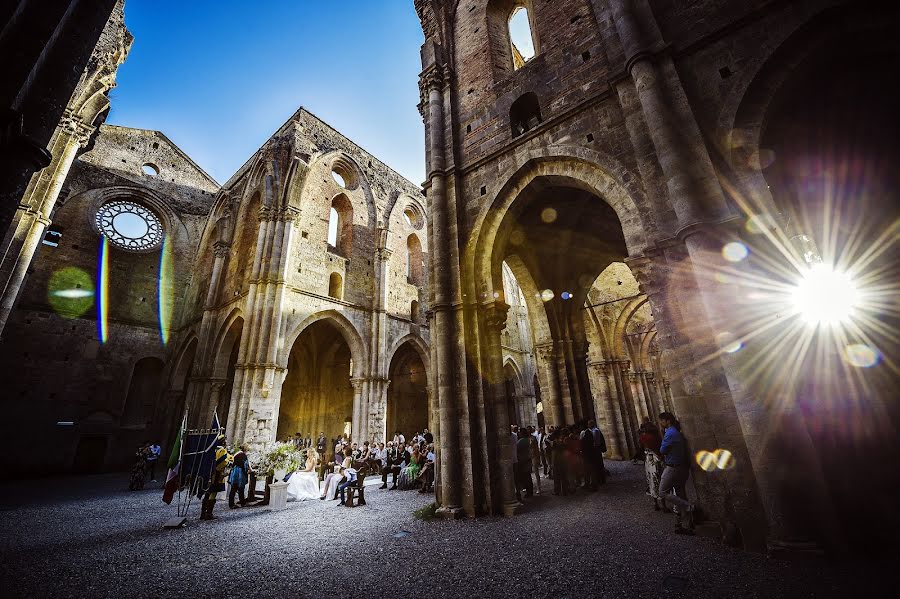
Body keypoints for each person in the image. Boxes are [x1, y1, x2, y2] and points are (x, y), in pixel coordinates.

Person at [658, 412, 695, 533]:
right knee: (680, 494)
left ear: (668, 421)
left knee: (662, 492)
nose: (661, 423)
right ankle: (686, 525)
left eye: (662, 421)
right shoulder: (675, 432)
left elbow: (662, 450)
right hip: (682, 467)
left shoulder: (670, 433)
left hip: (673, 467)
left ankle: (689, 507)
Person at [200, 435, 232, 520]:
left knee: (207, 492)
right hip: (216, 475)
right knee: (213, 493)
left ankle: (203, 513)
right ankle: (208, 514)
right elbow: (223, 462)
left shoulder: (212, 449)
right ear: (223, 442)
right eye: (226, 441)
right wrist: (229, 462)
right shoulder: (222, 450)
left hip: (209, 473)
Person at [228, 444, 251, 508]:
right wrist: (248, 470)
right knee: (240, 487)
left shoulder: (237, 454)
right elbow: (245, 464)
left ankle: (232, 503)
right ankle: (241, 503)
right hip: (239, 472)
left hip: (235, 471)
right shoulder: (243, 455)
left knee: (233, 488)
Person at [515, 429, 534, 500]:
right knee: (528, 476)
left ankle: (529, 491)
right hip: (527, 459)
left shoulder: (522, 441)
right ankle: (530, 491)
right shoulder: (527, 439)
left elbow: (516, 448)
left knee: (526, 477)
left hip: (523, 460)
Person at [589, 419, 607, 486]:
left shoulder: (595, 431)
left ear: (591, 424)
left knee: (598, 464)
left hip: (596, 449)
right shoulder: (595, 430)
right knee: (599, 464)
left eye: (589, 424)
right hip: (597, 449)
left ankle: (601, 479)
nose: (588, 425)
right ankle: (601, 479)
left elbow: (595, 441)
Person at [528, 426, 542, 495]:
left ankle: (538, 487)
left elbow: (536, 448)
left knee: (536, 472)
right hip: (528, 457)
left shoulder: (533, 438)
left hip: (533, 456)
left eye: (529, 430)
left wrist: (538, 457)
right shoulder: (525, 439)